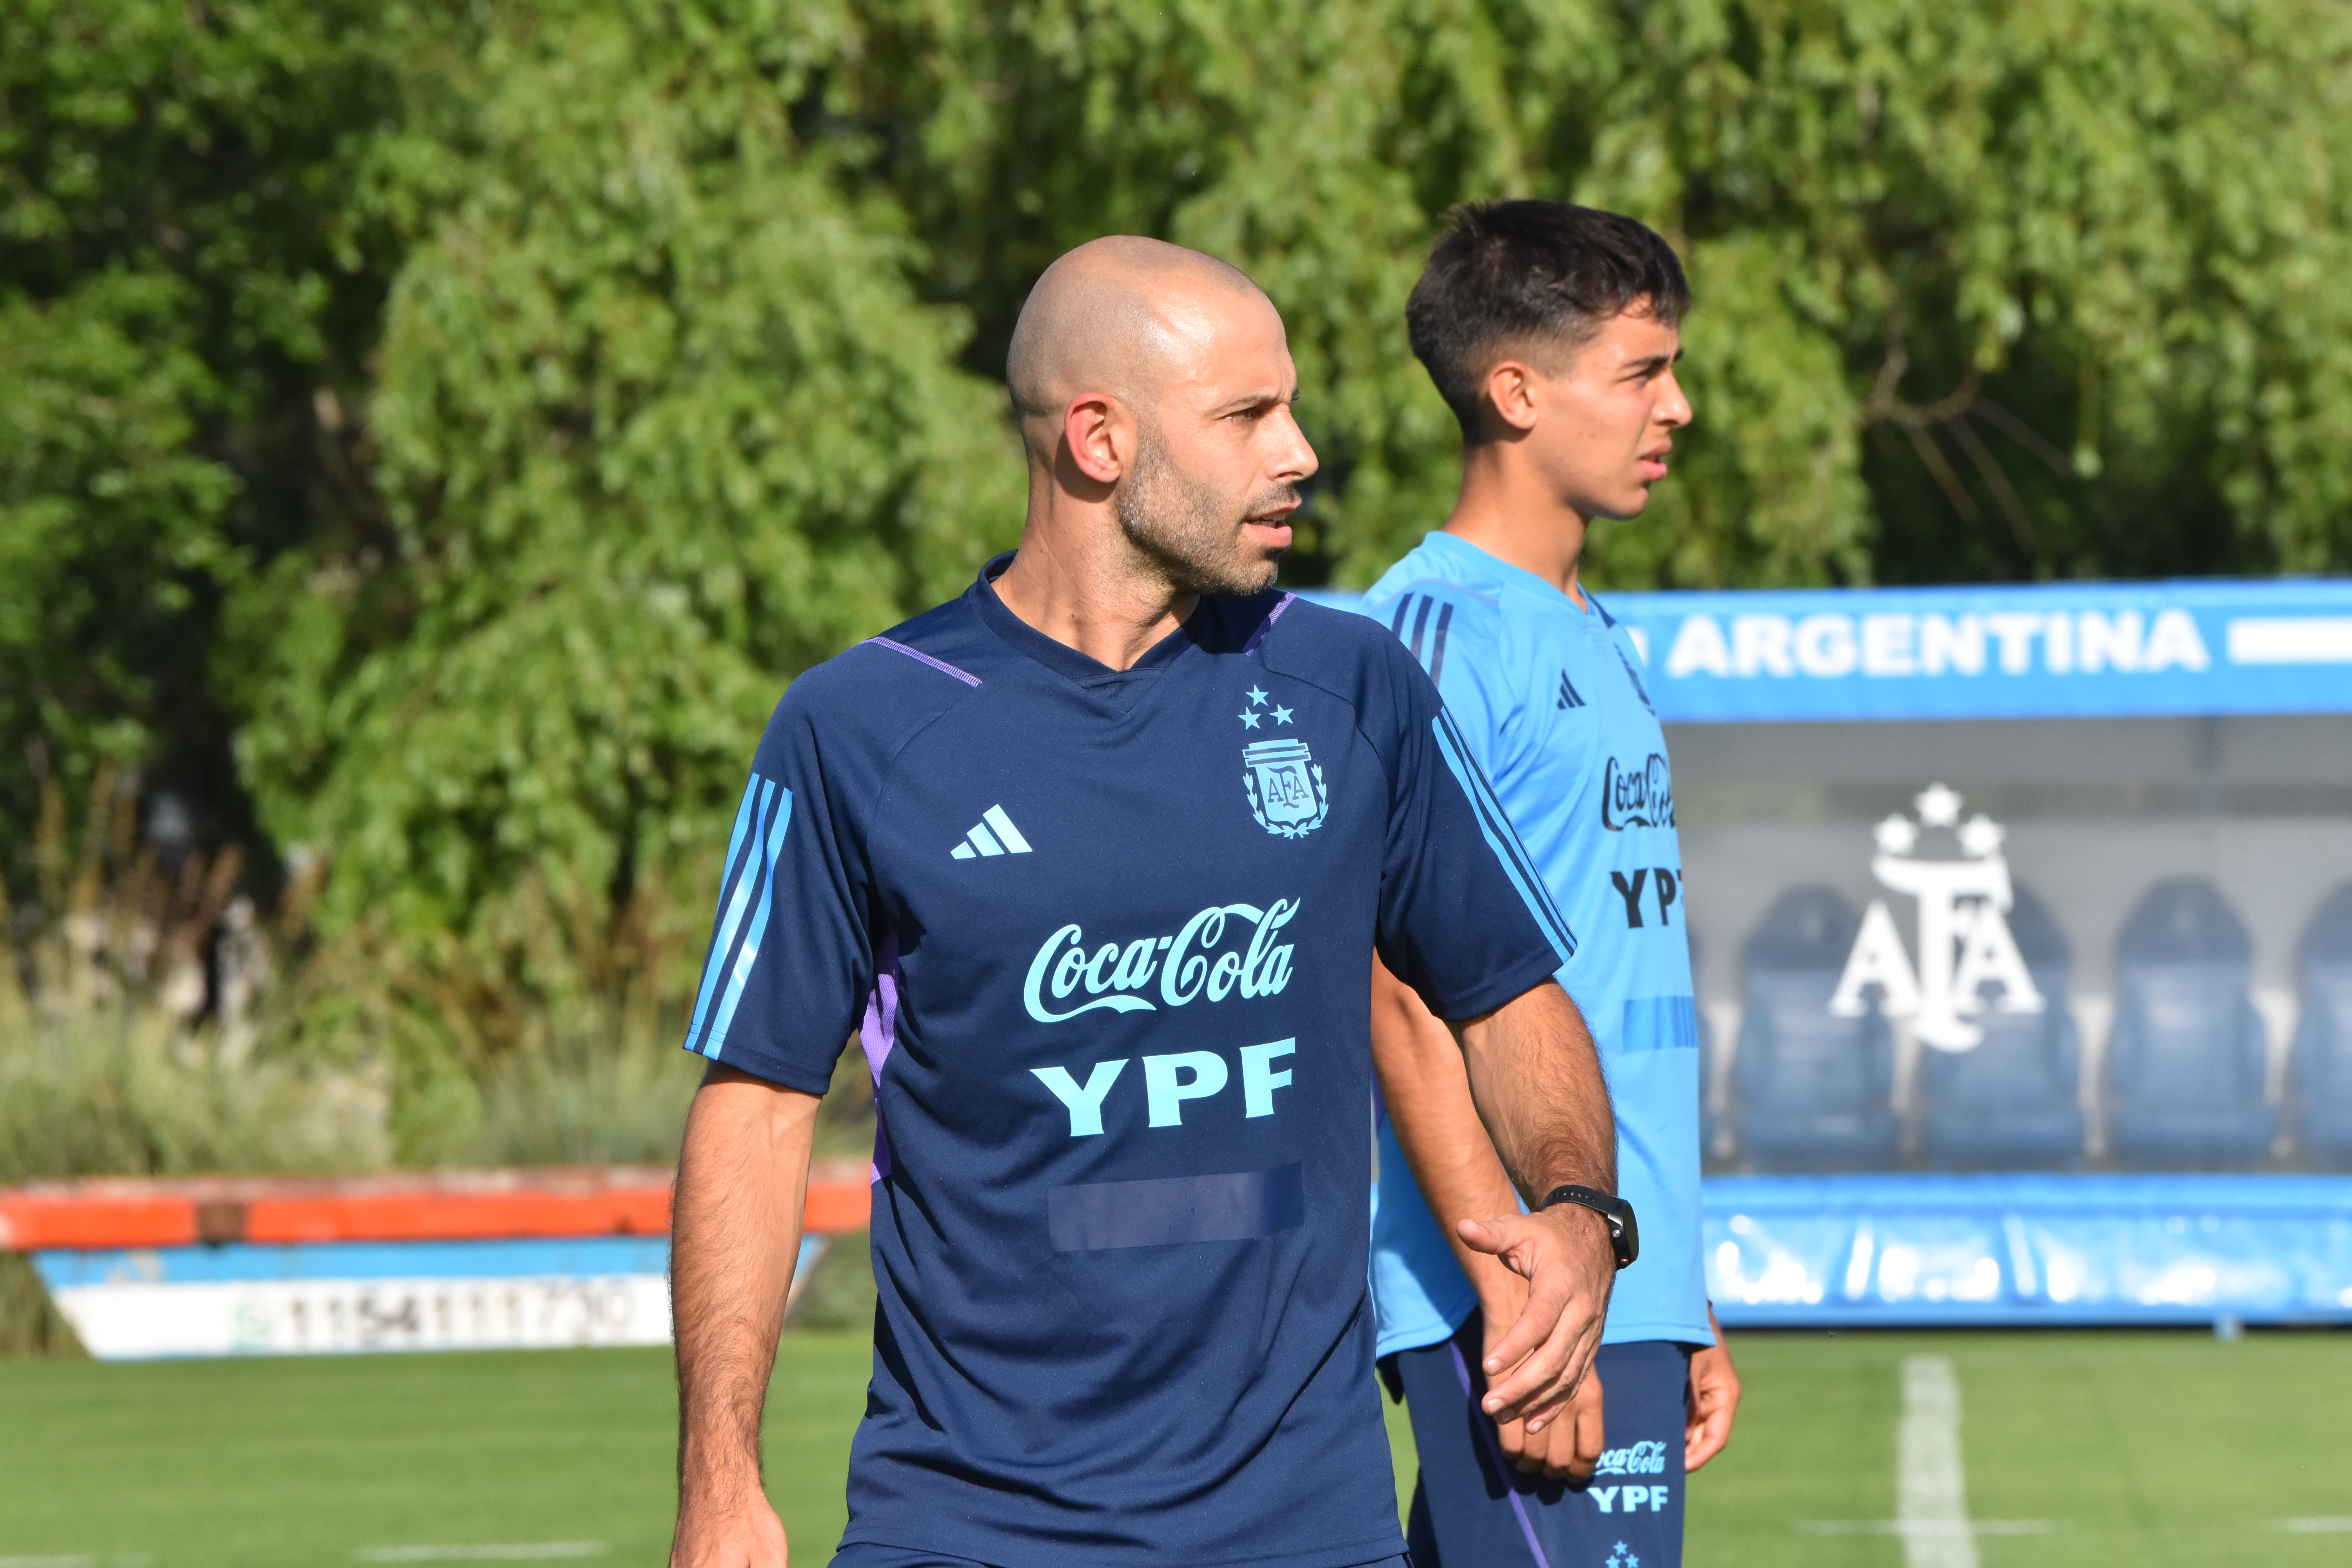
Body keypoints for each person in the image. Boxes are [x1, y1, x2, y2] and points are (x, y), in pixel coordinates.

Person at [666, 234, 1631, 1568]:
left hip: (1304, 1530)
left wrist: (1586, 1215)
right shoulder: (860, 725)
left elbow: (1507, 997)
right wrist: (722, 1483)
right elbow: (758, 1109)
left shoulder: (1353, 692)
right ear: (1099, 439)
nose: (1299, 452)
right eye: (1247, 416)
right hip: (964, 1527)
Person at [1359, 201, 1742, 1568]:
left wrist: (1676, 1287)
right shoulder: (1432, 632)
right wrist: (1530, 1302)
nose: (1678, 407)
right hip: (1523, 1296)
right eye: (1642, 372)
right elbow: (1401, 992)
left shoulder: (1588, 626)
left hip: (1614, 1280)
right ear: (1514, 391)